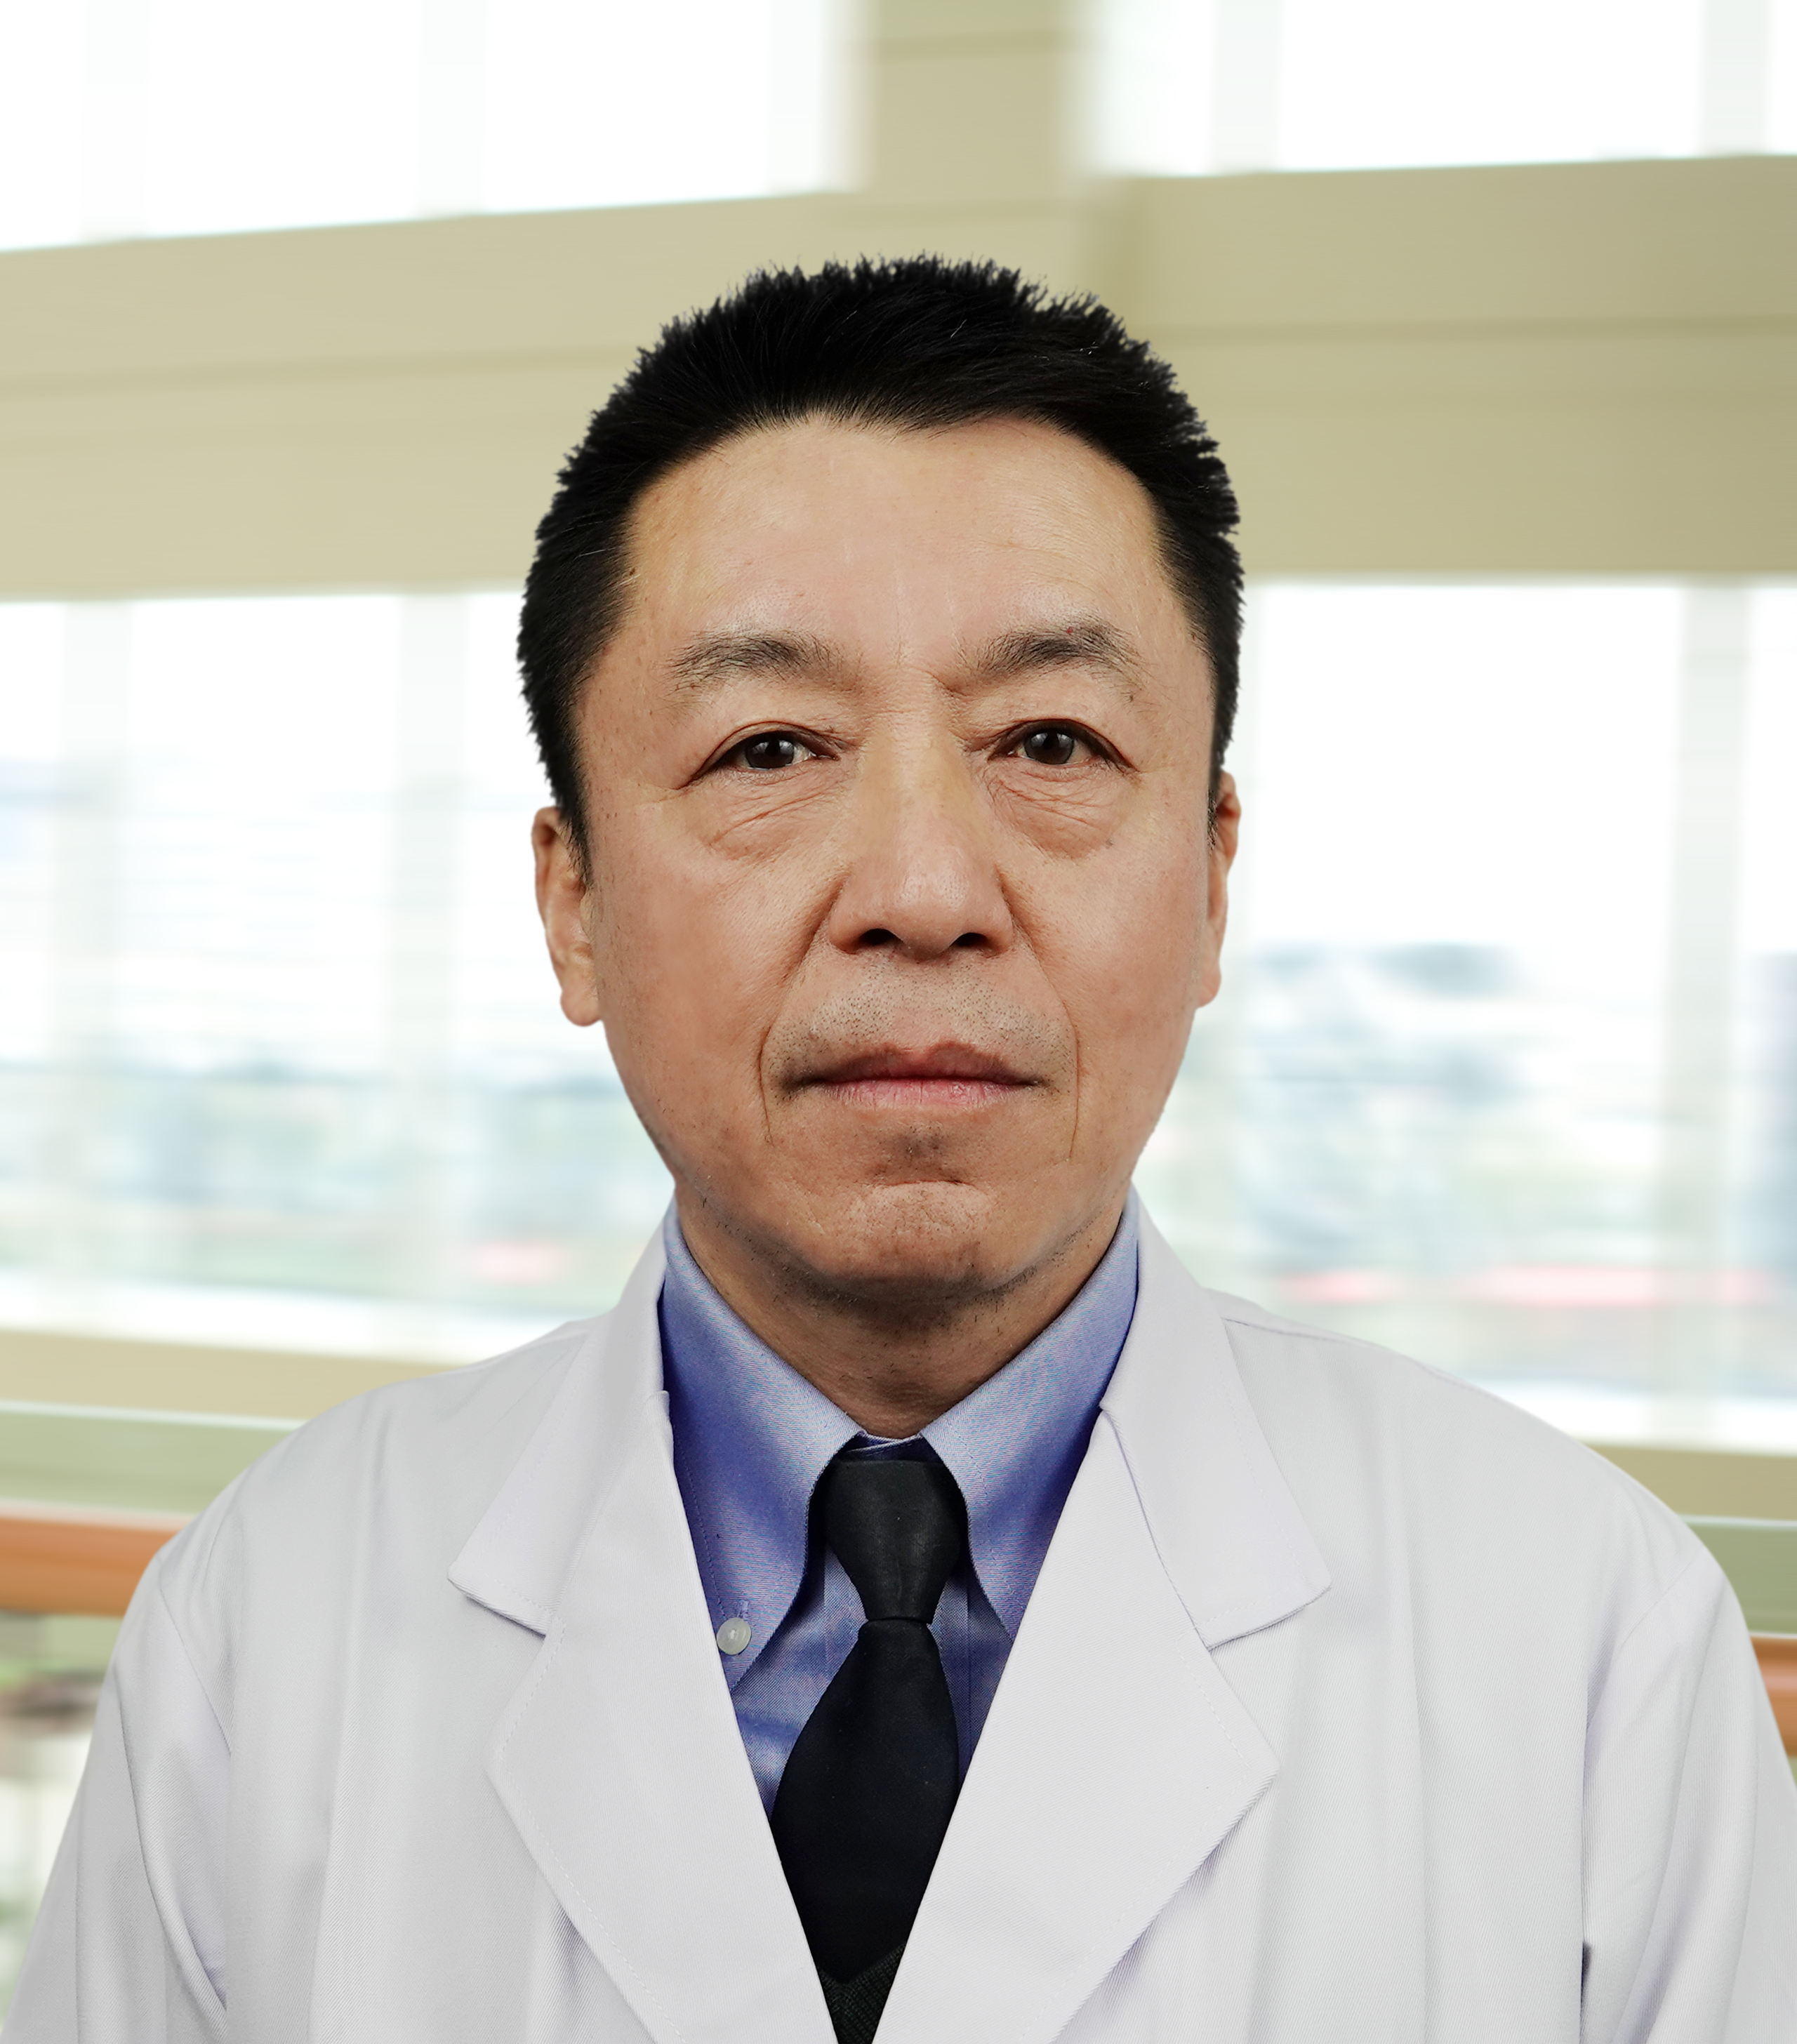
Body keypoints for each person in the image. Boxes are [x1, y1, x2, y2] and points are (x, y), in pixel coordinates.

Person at [10, 258, 1794, 2044]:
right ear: (574, 904)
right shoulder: (270, 1622)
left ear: (1208, 881)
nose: (926, 892)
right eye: (769, 746)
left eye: (1050, 741)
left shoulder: (1589, 1642)